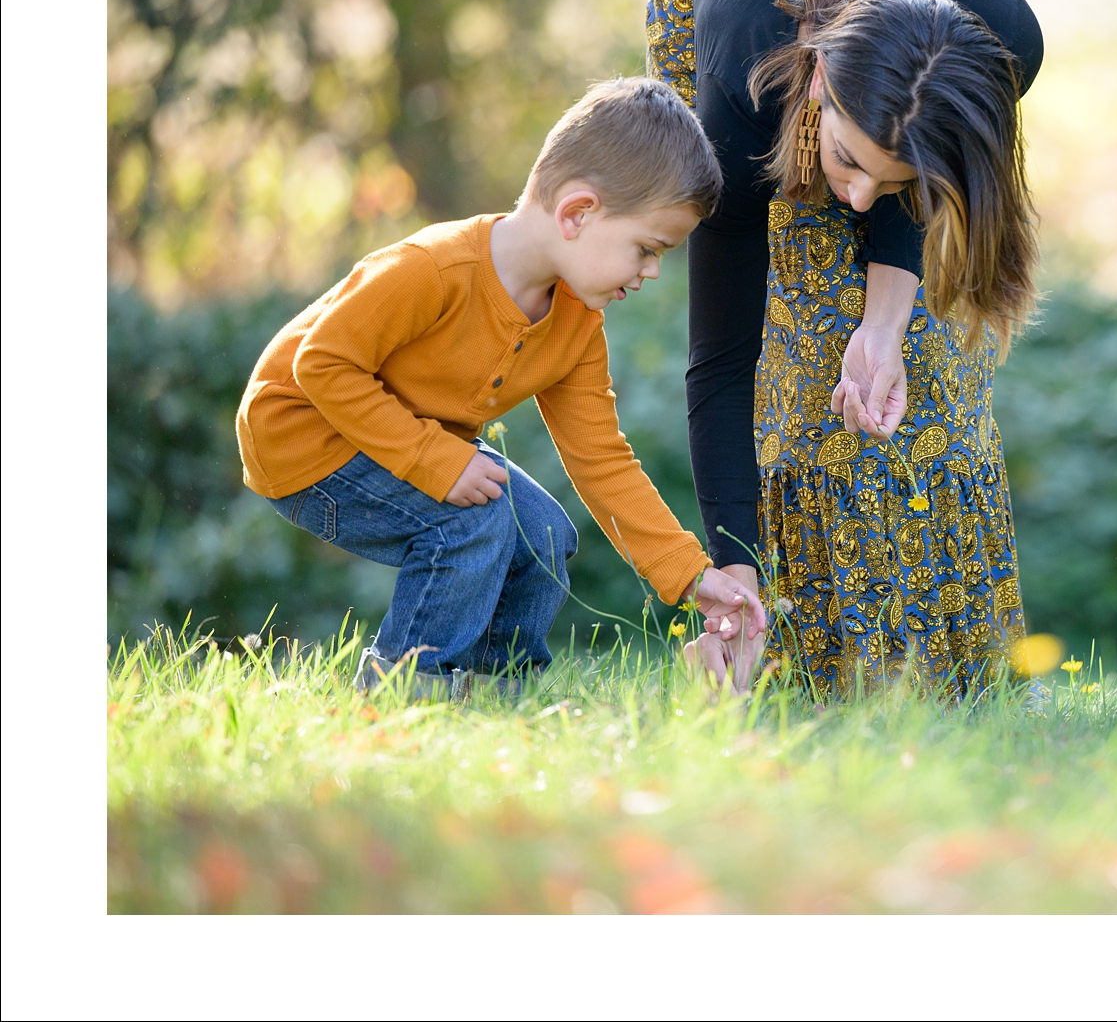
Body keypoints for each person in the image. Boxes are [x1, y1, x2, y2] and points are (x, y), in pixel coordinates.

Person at [236, 78, 766, 699]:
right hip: (300, 436)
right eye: (646, 249)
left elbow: (602, 463)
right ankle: (402, 697)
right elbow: (320, 363)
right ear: (577, 212)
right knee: (476, 524)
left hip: (399, 442)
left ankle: (494, 694)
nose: (651, 271)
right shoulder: (432, 269)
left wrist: (690, 575)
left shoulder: (575, 322)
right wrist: (435, 460)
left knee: (543, 532)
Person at [645, 0, 1043, 697]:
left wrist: (888, 322)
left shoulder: (1003, 53)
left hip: (912, 49)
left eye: (883, 180)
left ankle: (959, 672)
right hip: (726, 10)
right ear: (822, 78)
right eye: (850, 162)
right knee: (812, 342)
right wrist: (732, 571)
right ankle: (805, 661)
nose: (859, 197)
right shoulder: (746, 93)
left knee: (921, 365)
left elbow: (910, 177)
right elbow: (723, 357)